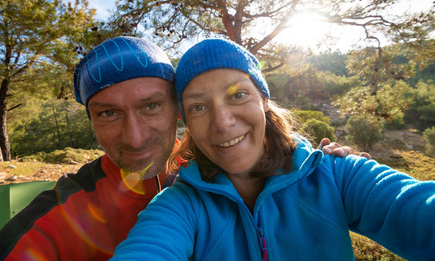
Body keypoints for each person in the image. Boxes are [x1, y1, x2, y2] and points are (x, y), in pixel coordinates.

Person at [0, 36, 357, 260]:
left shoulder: (213, 165)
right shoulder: (63, 213)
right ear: (92, 121)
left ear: (179, 111)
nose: (134, 138)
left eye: (151, 106)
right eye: (109, 114)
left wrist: (319, 167)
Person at [111, 38, 435, 261]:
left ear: (264, 101)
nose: (222, 122)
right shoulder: (180, 205)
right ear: (187, 123)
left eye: (238, 95)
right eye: (199, 107)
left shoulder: (335, 174)